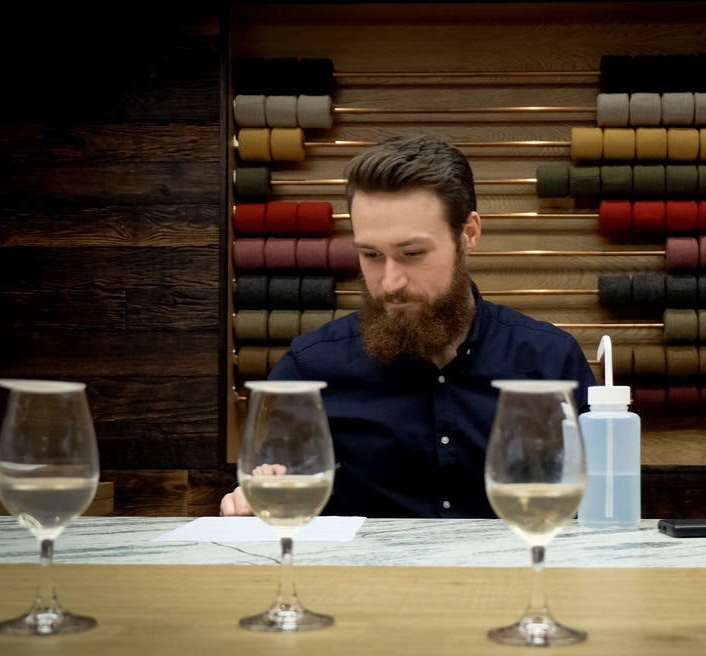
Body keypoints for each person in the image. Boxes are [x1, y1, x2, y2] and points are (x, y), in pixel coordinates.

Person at [221, 135, 596, 518]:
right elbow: (272, 488)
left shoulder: (551, 360)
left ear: (468, 234)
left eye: (412, 254)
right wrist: (252, 502)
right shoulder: (309, 368)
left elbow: (595, 508)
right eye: (371, 255)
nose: (390, 283)